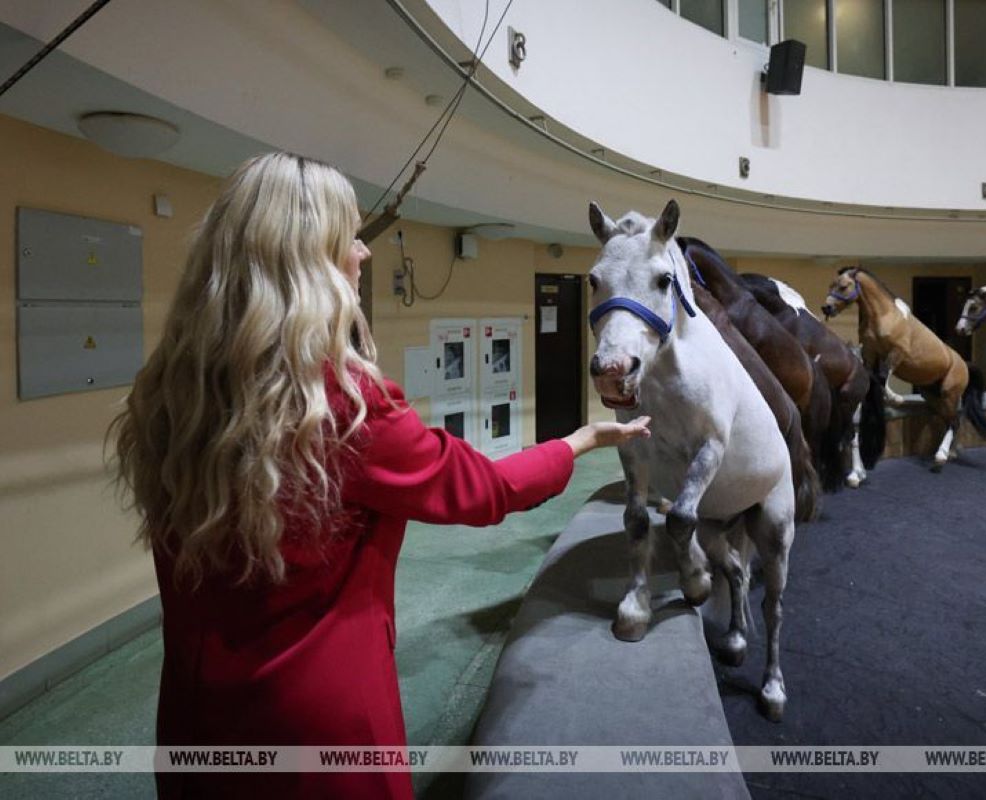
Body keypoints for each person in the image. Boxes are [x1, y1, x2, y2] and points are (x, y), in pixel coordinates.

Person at [109, 152, 651, 799]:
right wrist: (580, 440)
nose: (363, 252)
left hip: (196, 714)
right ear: (310, 258)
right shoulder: (342, 404)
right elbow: (486, 489)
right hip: (320, 728)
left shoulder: (171, 389)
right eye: (350, 236)